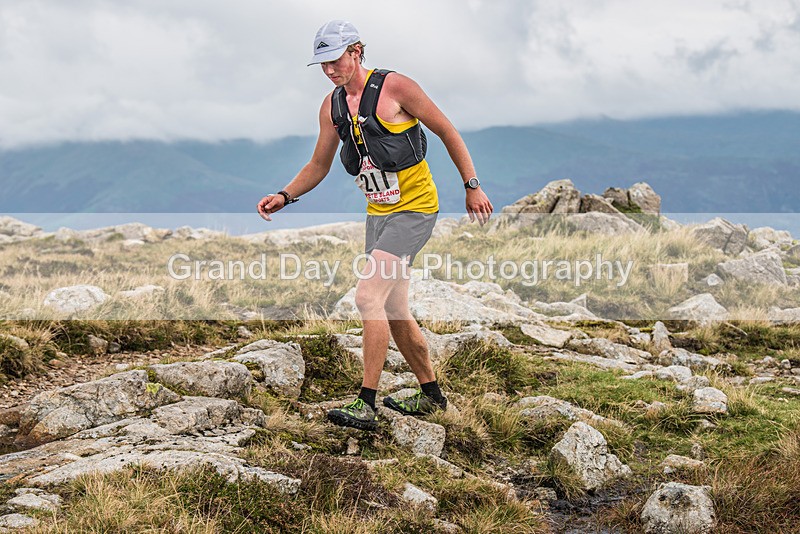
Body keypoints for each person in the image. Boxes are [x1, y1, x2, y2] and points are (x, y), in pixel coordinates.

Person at [257, 20, 493, 430]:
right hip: (379, 215)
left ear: (357, 52)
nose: (330, 71)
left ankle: (366, 403)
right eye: (323, 65)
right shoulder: (331, 107)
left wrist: (472, 186)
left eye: (335, 61)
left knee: (367, 298)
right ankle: (432, 395)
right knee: (393, 307)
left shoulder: (396, 88)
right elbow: (318, 164)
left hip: (415, 210)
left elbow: (446, 131)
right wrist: (285, 195)